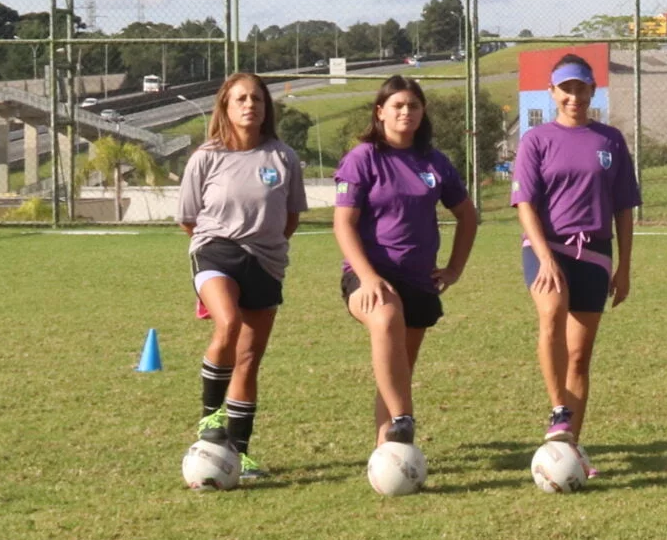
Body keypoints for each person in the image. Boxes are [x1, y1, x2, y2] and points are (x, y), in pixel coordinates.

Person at [331, 75, 480, 452]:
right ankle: (404, 419)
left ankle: (390, 454)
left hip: (419, 279)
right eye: (397, 105)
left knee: (397, 373)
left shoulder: (435, 162)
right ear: (380, 112)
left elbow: (468, 216)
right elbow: (343, 224)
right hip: (370, 278)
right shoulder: (362, 158)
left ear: (422, 112)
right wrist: (366, 278)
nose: (406, 112)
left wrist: (454, 269)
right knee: (385, 318)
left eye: (413, 105)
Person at [176, 72, 306, 484]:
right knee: (228, 323)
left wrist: (265, 245)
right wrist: (220, 241)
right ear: (226, 108)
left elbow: (290, 218)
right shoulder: (206, 157)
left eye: (257, 99)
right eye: (241, 99)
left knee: (249, 362)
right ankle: (208, 418)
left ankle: (240, 454)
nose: (250, 105)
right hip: (215, 250)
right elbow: (188, 219)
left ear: (267, 109)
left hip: (266, 263)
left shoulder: (283, 158)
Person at [511, 54, 637, 473]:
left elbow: (623, 208)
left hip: (596, 253)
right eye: (565, 89)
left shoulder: (611, 140)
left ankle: (571, 450)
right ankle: (558, 411)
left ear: (592, 91)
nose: (573, 96)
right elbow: (524, 203)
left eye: (581, 88)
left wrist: (624, 266)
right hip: (547, 247)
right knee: (551, 316)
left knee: (580, 356)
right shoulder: (536, 140)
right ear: (553, 93)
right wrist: (544, 256)